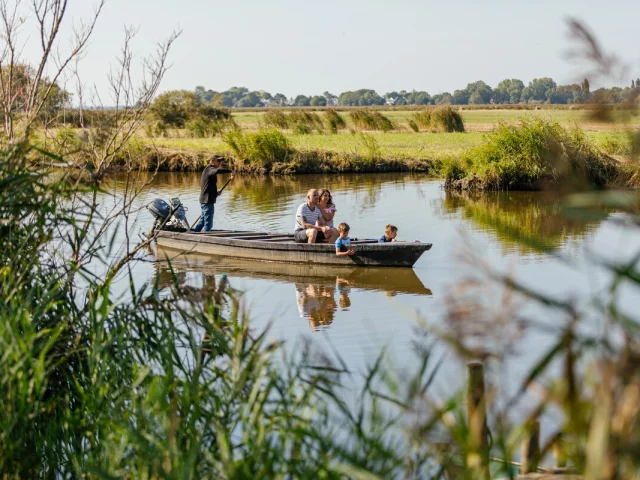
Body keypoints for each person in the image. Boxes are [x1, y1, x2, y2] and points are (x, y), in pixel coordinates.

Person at [192, 154, 234, 232]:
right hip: (207, 201)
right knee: (208, 223)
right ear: (212, 161)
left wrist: (215, 193)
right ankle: (205, 239)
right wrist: (230, 171)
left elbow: (209, 185)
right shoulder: (209, 169)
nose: (220, 163)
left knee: (203, 221)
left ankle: (194, 234)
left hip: (206, 199)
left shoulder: (209, 170)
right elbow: (217, 171)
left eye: (220, 161)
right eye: (218, 161)